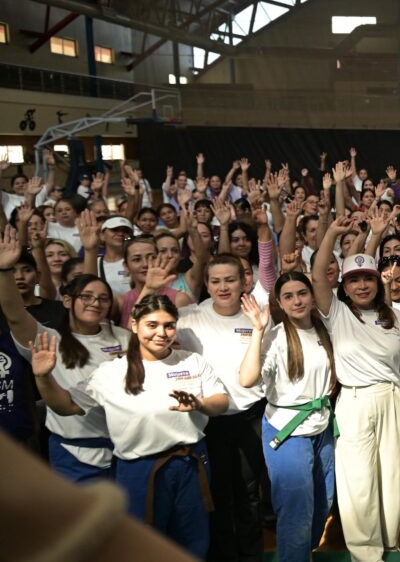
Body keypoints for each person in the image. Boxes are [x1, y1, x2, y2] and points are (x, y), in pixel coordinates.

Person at [31, 294, 229, 557]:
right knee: (141, 544)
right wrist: (43, 377)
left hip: (191, 464)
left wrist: (200, 403)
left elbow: (221, 402)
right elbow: (65, 406)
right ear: (135, 325)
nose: (162, 333)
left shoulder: (191, 361)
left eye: (169, 325)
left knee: (193, 540)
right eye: (152, 325)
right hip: (139, 470)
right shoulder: (111, 372)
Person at [314, 216, 400, 558]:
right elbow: (317, 276)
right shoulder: (336, 312)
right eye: (353, 280)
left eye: (367, 279)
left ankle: (388, 541)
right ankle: (365, 552)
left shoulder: (395, 316)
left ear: (377, 282)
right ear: (344, 285)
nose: (361, 286)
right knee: (358, 479)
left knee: (391, 474)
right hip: (354, 399)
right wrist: (331, 234)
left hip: (391, 397)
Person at [1, 229, 127, 482]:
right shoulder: (49, 339)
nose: (95, 303)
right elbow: (15, 314)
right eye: (87, 297)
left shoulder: (124, 338)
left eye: (103, 299)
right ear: (68, 301)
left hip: (124, 448)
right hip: (72, 453)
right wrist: (4, 271)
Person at [238, 273, 337, 562]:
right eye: (289, 296)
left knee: (323, 502)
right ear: (279, 302)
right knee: (296, 510)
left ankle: (303, 553)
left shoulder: (323, 329)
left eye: (302, 293)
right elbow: (247, 379)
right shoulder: (275, 337)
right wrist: (257, 330)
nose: (297, 301)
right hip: (287, 430)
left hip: (321, 424)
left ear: (312, 295)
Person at [175, 254, 267, 562]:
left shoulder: (258, 316)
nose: (223, 287)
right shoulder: (189, 317)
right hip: (209, 421)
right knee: (217, 495)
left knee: (249, 493)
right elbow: (142, 325)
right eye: (215, 281)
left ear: (244, 281)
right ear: (206, 284)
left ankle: (252, 555)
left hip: (250, 416)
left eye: (230, 280)